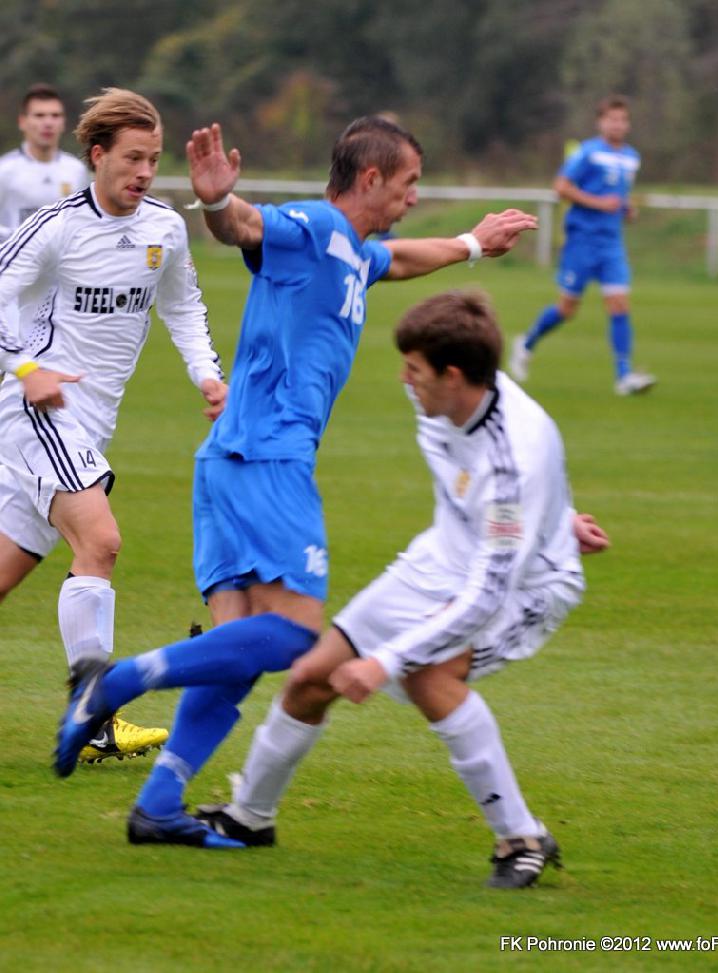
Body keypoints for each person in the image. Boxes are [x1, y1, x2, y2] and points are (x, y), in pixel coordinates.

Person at [55, 115, 538, 846]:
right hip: (268, 457)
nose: (413, 198)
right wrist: (219, 204)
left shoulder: (354, 252)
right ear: (371, 178)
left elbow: (402, 258)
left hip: (229, 458)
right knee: (292, 639)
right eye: (408, 183)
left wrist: (475, 243)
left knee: (235, 653)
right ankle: (116, 681)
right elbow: (248, 227)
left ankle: (160, 805)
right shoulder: (312, 226)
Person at [56, 289, 609, 880]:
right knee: (310, 676)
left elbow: (489, 590)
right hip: (442, 557)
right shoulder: (449, 398)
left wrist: (384, 661)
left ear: (454, 376)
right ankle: (250, 816)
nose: (403, 379)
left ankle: (520, 838)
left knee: (429, 675)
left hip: (523, 583)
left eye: (416, 370)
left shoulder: (512, 457)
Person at [0, 88, 226, 764]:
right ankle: (95, 714)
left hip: (89, 425)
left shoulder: (164, 228)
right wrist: (26, 368)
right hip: (36, 411)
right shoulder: (56, 227)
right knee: (100, 540)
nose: (145, 172)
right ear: (96, 156)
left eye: (153, 160)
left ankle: (93, 716)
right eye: (132, 158)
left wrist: (207, 375)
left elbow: (184, 308)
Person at [510, 95, 656, 396]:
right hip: (581, 240)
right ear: (600, 122)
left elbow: (617, 194)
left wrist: (626, 209)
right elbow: (561, 186)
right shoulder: (588, 153)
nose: (617, 124)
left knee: (619, 303)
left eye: (622, 119)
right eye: (611, 119)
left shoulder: (631, 157)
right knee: (567, 309)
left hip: (611, 243)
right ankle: (525, 344)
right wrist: (599, 203)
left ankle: (624, 376)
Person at [0, 84, 89, 243]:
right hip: (15, 265)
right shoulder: (4, 170)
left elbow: (83, 224)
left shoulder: (76, 170)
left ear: (63, 122)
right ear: (22, 122)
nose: (48, 123)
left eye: (55, 116)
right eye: (39, 115)